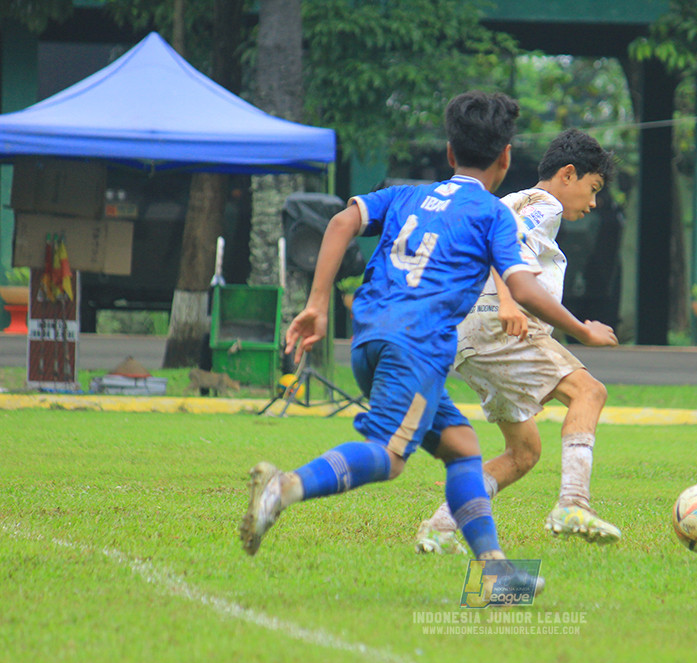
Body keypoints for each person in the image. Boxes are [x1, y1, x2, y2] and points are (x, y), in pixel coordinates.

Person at [238, 92, 618, 586]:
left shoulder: (405, 194)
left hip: (371, 340)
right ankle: (283, 488)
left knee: (462, 448)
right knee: (390, 457)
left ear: (448, 152)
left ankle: (495, 570)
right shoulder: (493, 213)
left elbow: (340, 222)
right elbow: (522, 284)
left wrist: (315, 304)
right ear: (506, 157)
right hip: (414, 346)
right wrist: (582, 328)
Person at [415, 129, 621, 555]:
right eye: (593, 188)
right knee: (589, 391)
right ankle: (572, 504)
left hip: (468, 336)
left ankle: (440, 526)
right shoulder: (543, 205)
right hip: (499, 324)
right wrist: (579, 329)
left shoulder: (515, 199)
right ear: (568, 174)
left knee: (523, 452)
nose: (594, 202)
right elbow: (503, 251)